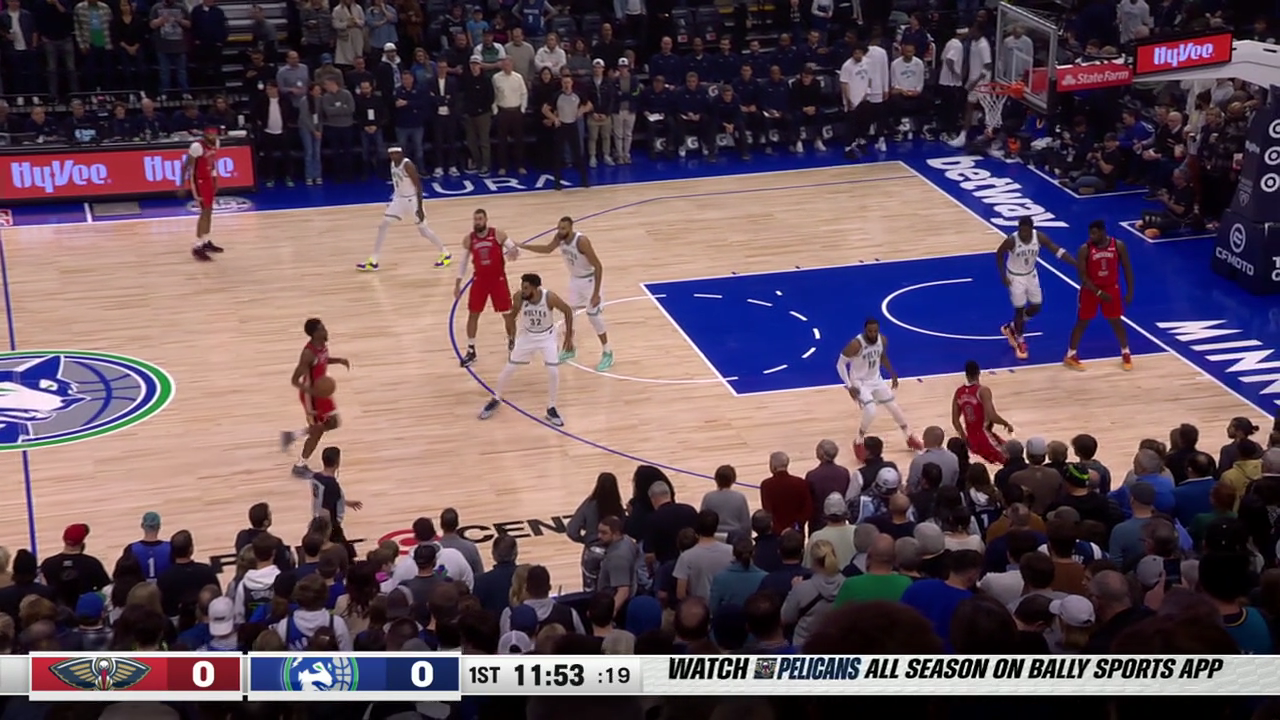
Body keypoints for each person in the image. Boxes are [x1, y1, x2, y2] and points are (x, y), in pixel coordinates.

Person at [478, 273, 574, 427]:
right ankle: (496, 398)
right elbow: (513, 317)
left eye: (526, 288)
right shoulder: (519, 297)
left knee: (553, 372)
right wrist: (511, 336)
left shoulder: (549, 297)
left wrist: (568, 337)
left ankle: (551, 407)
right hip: (527, 336)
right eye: (522, 287)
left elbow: (567, 311)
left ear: (535, 288)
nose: (523, 291)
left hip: (547, 337)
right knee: (509, 369)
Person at [520, 216, 613, 371]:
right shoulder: (560, 238)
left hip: (590, 281)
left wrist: (596, 293)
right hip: (575, 280)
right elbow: (547, 249)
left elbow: (598, 266)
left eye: (563, 228)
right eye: (559, 228)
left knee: (593, 316)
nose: (560, 231)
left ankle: (607, 352)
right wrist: (524, 246)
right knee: (569, 313)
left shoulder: (581, 241)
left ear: (571, 228)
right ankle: (569, 348)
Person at [838, 318, 922, 461]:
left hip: (876, 380)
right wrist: (849, 385)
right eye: (870, 331)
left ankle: (909, 436)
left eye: (875, 331)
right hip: (859, 382)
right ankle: (858, 441)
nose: (873, 334)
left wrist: (892, 373)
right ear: (865, 330)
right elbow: (840, 364)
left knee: (894, 408)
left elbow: (882, 357)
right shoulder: (856, 344)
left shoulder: (882, 340)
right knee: (871, 410)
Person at [356, 145, 451, 272]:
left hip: (412, 201)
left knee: (423, 230)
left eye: (396, 153)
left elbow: (418, 186)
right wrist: (393, 201)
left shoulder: (408, 165)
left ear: (401, 153)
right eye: (391, 154)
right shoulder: (392, 164)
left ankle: (445, 253)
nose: (394, 156)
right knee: (383, 226)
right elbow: (398, 185)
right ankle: (374, 260)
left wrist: (420, 208)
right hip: (399, 200)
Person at [996, 217, 1075, 360]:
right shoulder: (1012, 240)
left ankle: (1012, 327)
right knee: (1019, 310)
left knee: (1036, 307)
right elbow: (999, 253)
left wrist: (1076, 264)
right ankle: (1020, 340)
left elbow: (1057, 251)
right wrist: (1002, 275)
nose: (1023, 234)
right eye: (1021, 231)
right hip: (1014, 276)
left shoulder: (1039, 237)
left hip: (1031, 274)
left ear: (1031, 229)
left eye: (1026, 231)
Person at [281, 318, 351, 478]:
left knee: (334, 422)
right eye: (322, 329)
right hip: (311, 397)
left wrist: (339, 360)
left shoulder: (322, 345)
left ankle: (292, 435)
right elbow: (295, 380)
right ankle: (299, 466)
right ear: (314, 333)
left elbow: (323, 360)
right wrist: (310, 402)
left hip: (322, 394)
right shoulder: (308, 353)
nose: (325, 331)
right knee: (317, 432)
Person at [1065, 220, 1135, 371]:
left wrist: (1130, 291)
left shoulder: (1118, 245)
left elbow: (1127, 268)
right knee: (1083, 322)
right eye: (1090, 233)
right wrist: (1097, 292)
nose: (1091, 236)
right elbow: (1082, 276)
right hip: (1090, 290)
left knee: (1116, 320)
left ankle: (1126, 352)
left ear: (1103, 232)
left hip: (1111, 288)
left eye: (1094, 233)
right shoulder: (1085, 249)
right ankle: (1070, 355)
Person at [455, 208, 519, 368]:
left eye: (480, 219)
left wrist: (513, 251)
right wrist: (457, 283)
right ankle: (471, 350)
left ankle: (513, 344)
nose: (477, 222)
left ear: (486, 220)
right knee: (473, 314)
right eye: (475, 219)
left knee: (507, 314)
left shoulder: (497, 234)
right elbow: (463, 263)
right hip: (480, 281)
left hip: (498, 280)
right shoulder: (469, 239)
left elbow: (513, 250)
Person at [951, 360, 1014, 465]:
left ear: (966, 374)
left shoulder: (959, 392)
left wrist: (964, 438)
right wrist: (1006, 423)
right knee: (1010, 460)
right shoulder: (982, 390)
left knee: (1007, 452)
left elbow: (955, 421)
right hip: (984, 436)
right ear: (979, 372)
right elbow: (992, 416)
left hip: (971, 438)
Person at [183, 124, 225, 261]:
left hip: (208, 180)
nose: (213, 137)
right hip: (199, 180)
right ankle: (197, 246)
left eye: (214, 134)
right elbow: (188, 167)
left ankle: (206, 241)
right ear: (205, 135)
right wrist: (184, 185)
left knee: (209, 211)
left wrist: (215, 179)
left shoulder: (216, 143)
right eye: (210, 134)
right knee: (204, 212)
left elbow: (212, 163)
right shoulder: (197, 146)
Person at [309, 446, 363, 552]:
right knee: (345, 553)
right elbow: (326, 508)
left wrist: (345, 502)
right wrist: (327, 532)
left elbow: (325, 497)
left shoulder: (316, 477)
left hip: (317, 519)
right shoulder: (331, 485)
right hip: (330, 526)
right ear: (337, 462)